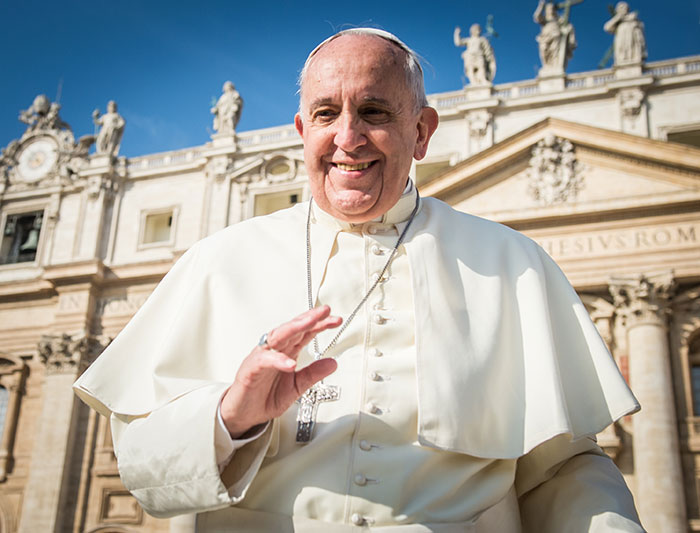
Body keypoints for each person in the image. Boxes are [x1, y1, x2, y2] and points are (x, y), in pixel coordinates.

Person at [74, 28, 644, 532]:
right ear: (302, 131)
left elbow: (561, 470)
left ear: (422, 133)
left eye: (374, 112)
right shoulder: (218, 261)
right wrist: (230, 418)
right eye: (326, 114)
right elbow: (142, 468)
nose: (348, 138)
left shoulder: (511, 261)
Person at [533, 0, 577, 74]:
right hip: (544, 37)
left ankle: (555, 67)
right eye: (549, 9)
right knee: (544, 50)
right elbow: (536, 17)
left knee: (555, 52)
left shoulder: (558, 19)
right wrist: (541, 6)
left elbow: (567, 26)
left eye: (552, 8)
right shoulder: (545, 19)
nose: (550, 10)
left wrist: (568, 28)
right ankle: (547, 67)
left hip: (556, 36)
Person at [603, 1, 646, 66]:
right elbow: (607, 27)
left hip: (632, 38)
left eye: (624, 7)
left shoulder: (633, 18)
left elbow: (640, 28)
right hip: (621, 38)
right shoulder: (618, 20)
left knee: (632, 49)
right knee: (621, 51)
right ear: (617, 10)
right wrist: (618, 18)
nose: (623, 9)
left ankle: (634, 62)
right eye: (620, 8)